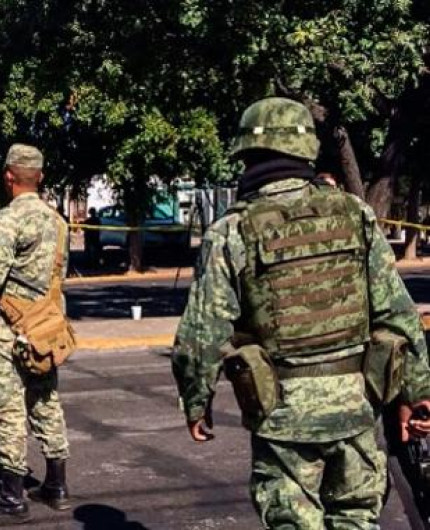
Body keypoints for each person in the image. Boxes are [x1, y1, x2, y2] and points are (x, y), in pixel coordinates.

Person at [171, 96, 430, 528]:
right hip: (355, 406)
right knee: (356, 518)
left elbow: (202, 333)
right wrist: (417, 393)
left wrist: (197, 401)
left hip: (283, 416)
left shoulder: (232, 231)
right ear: (307, 148)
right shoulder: (355, 213)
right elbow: (398, 312)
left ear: (246, 155)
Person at [0, 144, 71, 522]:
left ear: (8, 176)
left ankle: (12, 497)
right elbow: (57, 276)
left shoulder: (9, 219)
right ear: (40, 176)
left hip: (10, 330)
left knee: (7, 407)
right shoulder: (58, 222)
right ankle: (57, 486)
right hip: (47, 328)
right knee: (46, 400)